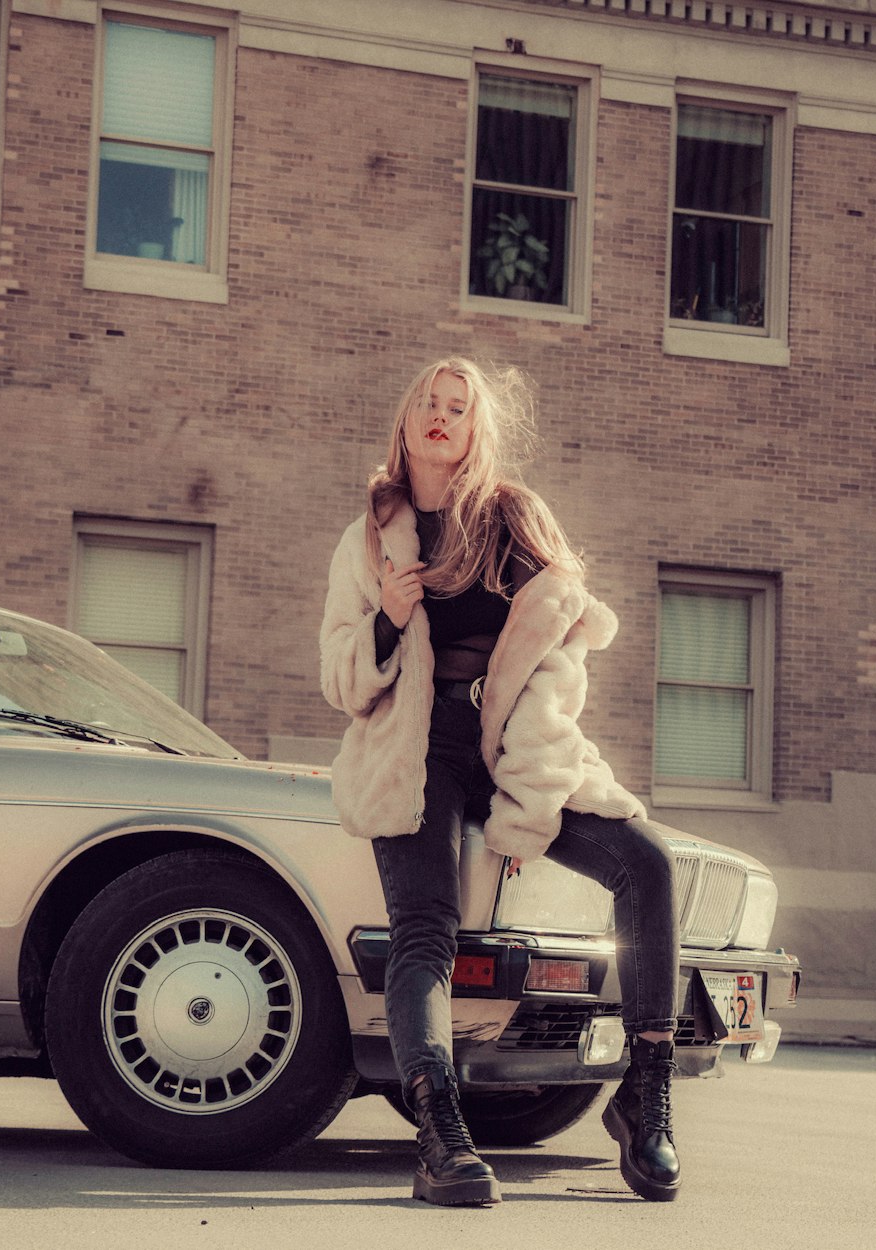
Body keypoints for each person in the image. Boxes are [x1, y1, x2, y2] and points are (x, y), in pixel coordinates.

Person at [319, 357, 680, 1207]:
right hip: (418, 743)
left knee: (647, 863)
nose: (443, 418)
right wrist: (389, 619)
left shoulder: (511, 517)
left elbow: (572, 622)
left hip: (515, 739)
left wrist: (537, 713)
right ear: (406, 423)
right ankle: (441, 1133)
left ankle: (644, 1094)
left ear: (476, 430)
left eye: (460, 408)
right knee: (425, 929)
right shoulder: (371, 536)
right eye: (429, 405)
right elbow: (339, 674)